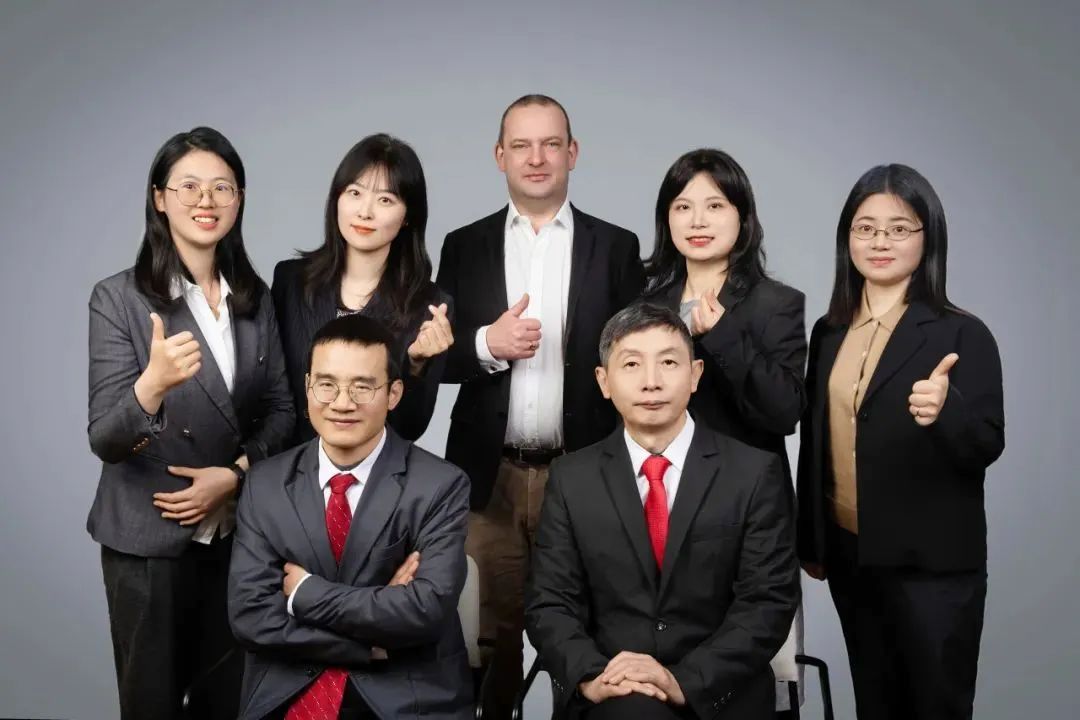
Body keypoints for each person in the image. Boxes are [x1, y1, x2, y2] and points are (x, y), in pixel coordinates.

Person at [435, 93, 644, 716]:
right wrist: (485, 344)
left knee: (583, 631)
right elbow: (432, 359)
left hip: (585, 472)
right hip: (489, 475)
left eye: (551, 144)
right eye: (521, 145)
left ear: (572, 153)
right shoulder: (463, 245)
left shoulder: (617, 246)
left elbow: (638, 357)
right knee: (488, 638)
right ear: (499, 155)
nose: (536, 158)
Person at [87, 126, 295, 719]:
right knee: (151, 703)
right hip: (147, 538)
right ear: (160, 198)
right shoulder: (119, 298)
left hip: (236, 534)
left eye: (222, 187)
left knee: (229, 702)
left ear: (239, 199)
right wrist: (151, 386)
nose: (207, 200)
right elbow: (105, 438)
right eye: (189, 186)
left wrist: (235, 475)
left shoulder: (253, 298)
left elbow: (283, 409)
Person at [797, 164, 1005, 719]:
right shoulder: (829, 331)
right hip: (852, 557)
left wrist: (946, 411)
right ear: (847, 238)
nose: (880, 242)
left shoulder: (962, 332)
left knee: (935, 706)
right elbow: (817, 440)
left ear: (927, 237)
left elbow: (987, 443)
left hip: (932, 567)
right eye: (865, 228)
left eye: (898, 228)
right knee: (875, 703)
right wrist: (811, 539)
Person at [526, 303, 799, 720]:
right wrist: (591, 676)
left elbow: (768, 603)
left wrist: (683, 680)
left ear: (696, 375)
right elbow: (550, 602)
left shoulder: (753, 472)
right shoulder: (571, 478)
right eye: (631, 364)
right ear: (604, 381)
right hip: (614, 688)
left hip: (720, 693)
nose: (651, 381)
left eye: (668, 362)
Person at [228, 315, 473, 720]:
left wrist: (305, 593)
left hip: (402, 696)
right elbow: (251, 616)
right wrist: (364, 644)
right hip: (290, 684)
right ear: (308, 387)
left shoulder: (440, 486)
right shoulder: (265, 483)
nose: (342, 403)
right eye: (327, 385)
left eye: (363, 387)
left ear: (394, 394)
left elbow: (425, 611)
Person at [642, 147, 807, 716]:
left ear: (742, 215)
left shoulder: (775, 304)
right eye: (683, 206)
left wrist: (723, 335)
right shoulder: (646, 306)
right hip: (659, 511)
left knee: (742, 679)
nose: (698, 220)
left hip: (744, 519)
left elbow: (784, 412)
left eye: (715, 205)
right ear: (666, 218)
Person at [273, 133, 452, 446]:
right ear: (337, 199)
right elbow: (275, 396)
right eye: (355, 193)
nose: (365, 212)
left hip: (373, 471)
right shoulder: (291, 280)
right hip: (292, 464)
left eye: (385, 200)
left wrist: (417, 365)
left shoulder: (430, 304)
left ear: (407, 216)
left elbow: (410, 428)